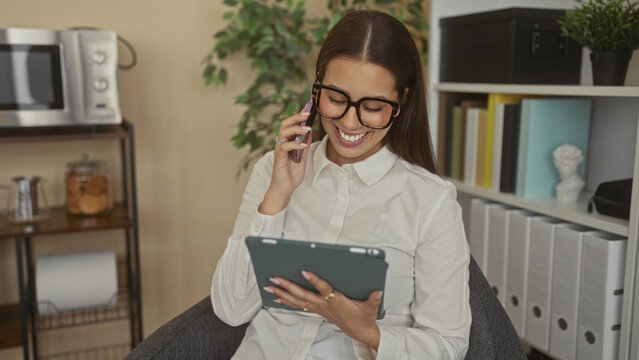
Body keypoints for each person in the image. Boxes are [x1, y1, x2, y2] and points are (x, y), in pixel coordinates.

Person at [211, 10, 471, 359]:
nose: (350, 122)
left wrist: (367, 332)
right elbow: (231, 309)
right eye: (335, 98)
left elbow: (449, 346)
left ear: (402, 101)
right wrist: (278, 196)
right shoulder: (274, 172)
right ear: (316, 89)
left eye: (374, 106)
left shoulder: (431, 201)